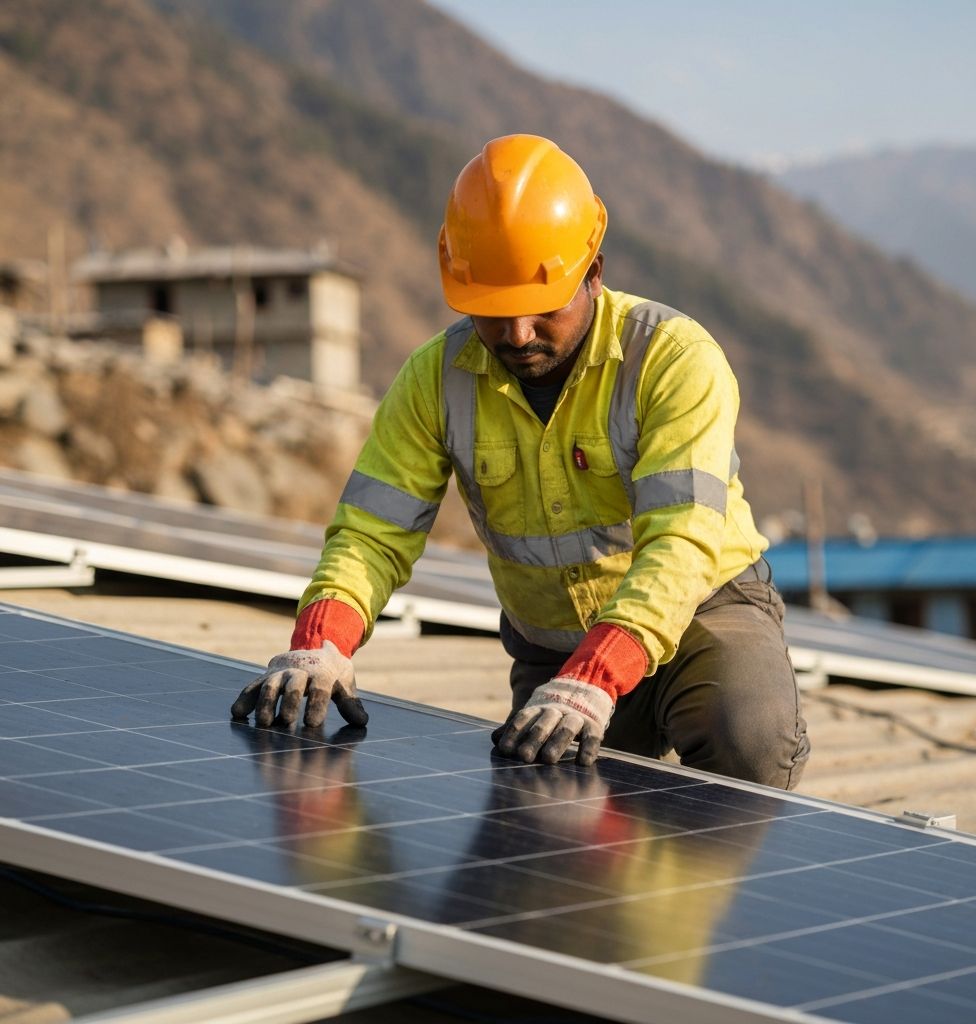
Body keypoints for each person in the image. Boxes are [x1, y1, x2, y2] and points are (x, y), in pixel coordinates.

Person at [231, 134, 810, 789]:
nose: (518, 335)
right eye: (495, 313)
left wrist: (600, 675)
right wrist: (322, 641)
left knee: (749, 737)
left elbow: (682, 539)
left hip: (702, 614)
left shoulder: (673, 359)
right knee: (553, 818)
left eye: (543, 310)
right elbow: (371, 532)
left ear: (594, 271)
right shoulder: (434, 379)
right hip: (554, 647)